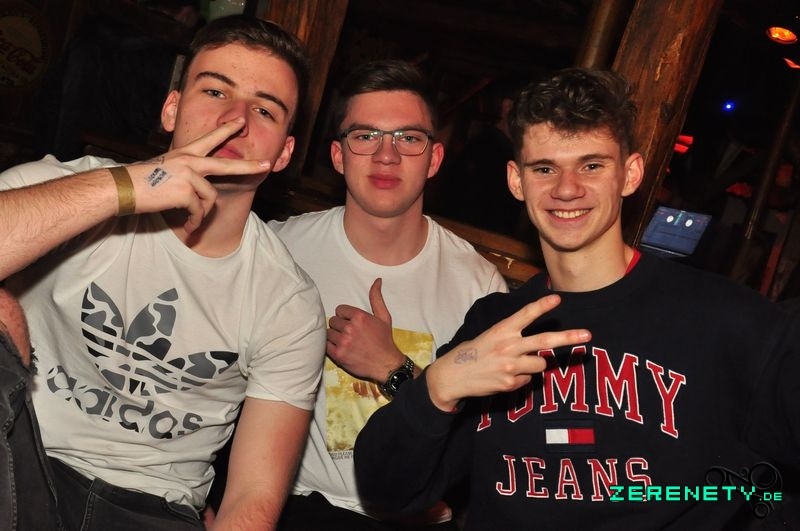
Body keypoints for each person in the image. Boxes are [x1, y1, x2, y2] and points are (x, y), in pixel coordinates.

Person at [354, 68, 800, 529]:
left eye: (591, 165)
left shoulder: (727, 321)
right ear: (516, 181)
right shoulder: (494, 323)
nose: (567, 188)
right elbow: (387, 489)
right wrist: (437, 386)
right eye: (544, 168)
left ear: (629, 174)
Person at [0, 15, 326, 530]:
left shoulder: (287, 302)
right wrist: (129, 187)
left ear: (283, 153)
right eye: (215, 91)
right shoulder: (68, 190)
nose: (235, 119)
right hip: (19, 455)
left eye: (264, 109)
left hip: (151, 505)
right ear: (171, 109)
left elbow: (252, 499)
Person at [267, 60, 508, 529]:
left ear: (434, 159)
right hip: (290, 507)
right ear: (338, 155)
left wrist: (393, 368)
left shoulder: (478, 286)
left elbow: (483, 442)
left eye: (408, 138)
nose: (386, 156)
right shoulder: (280, 249)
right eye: (365, 136)